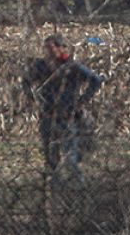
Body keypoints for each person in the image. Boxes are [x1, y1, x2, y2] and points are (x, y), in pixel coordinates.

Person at [22, 35, 103, 188]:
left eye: (51, 47)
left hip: (66, 116)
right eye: (45, 48)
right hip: (46, 114)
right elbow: (25, 80)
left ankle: (78, 187)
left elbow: (96, 80)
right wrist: (31, 98)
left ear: (60, 48)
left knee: (70, 157)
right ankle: (55, 188)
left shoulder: (71, 66)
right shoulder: (41, 66)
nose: (48, 51)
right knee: (51, 157)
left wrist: (82, 101)